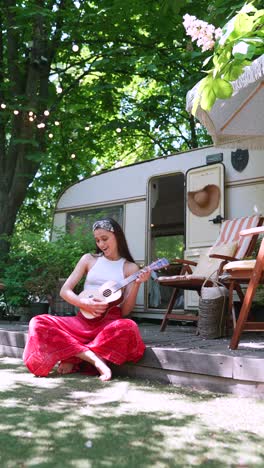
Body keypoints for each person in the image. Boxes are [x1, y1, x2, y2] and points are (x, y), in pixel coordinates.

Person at [23, 218, 151, 381]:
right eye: (97, 240)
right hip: (82, 322)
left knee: (128, 326)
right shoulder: (89, 259)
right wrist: (83, 303)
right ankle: (95, 359)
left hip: (108, 324)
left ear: (117, 236)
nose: (101, 244)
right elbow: (65, 291)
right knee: (38, 322)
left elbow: (125, 311)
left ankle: (73, 356)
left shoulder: (130, 268)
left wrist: (137, 284)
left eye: (105, 239)